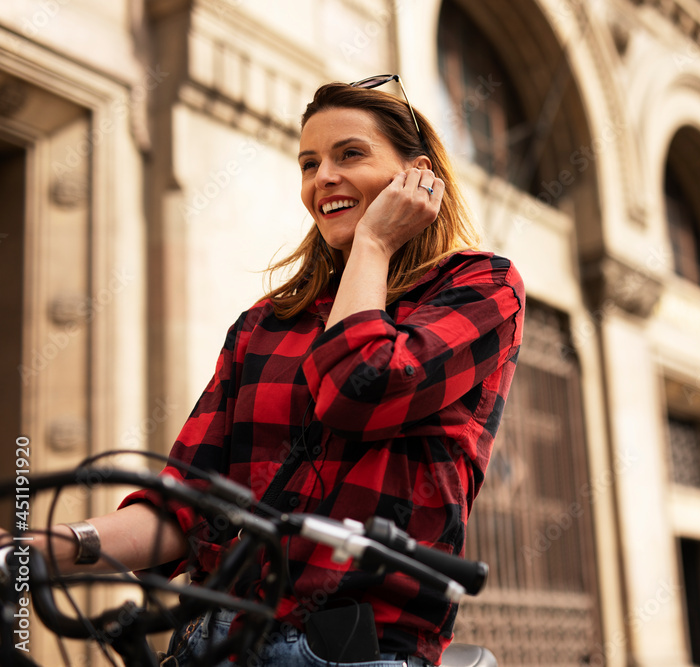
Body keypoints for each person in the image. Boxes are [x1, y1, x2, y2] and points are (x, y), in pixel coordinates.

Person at [5, 76, 525, 666]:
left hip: (354, 647)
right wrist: (48, 548)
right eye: (308, 163)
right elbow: (189, 504)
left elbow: (361, 387)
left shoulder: (480, 285)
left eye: (349, 154)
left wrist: (374, 246)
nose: (322, 177)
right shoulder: (265, 323)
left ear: (418, 175)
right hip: (217, 640)